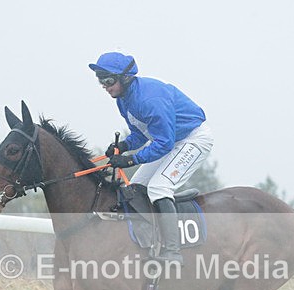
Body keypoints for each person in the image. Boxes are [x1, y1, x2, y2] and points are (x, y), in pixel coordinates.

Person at [89, 52, 213, 265]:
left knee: (159, 188)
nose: (104, 86)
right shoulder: (123, 100)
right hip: (170, 140)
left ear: (125, 78)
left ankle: (173, 251)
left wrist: (130, 160)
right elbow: (141, 134)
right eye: (100, 80)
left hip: (193, 139)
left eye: (108, 80)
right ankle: (149, 243)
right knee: (135, 188)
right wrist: (124, 146)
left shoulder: (149, 100)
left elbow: (164, 142)